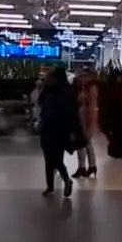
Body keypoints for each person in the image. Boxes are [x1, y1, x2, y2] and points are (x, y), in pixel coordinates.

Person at [38, 67, 80, 197]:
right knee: (53, 158)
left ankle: (63, 180)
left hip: (54, 129)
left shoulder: (60, 94)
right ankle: (54, 184)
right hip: (56, 129)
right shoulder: (61, 92)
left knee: (53, 158)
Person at [73, 73, 99, 178]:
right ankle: (91, 166)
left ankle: (82, 167)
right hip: (86, 122)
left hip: (87, 122)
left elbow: (88, 106)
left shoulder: (90, 90)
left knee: (82, 144)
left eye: (83, 76)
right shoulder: (86, 89)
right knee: (87, 144)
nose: (81, 78)